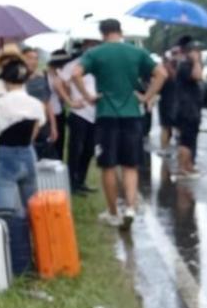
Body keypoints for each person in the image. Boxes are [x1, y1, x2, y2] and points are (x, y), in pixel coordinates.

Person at [71, 18, 168, 229]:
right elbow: (162, 74)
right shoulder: (136, 52)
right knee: (130, 165)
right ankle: (131, 208)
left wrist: (87, 96)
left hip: (106, 114)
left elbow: (75, 73)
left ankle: (113, 212)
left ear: (101, 33)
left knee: (108, 166)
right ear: (121, 32)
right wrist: (146, 96)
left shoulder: (95, 53)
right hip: (132, 113)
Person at [0, 59, 46, 213]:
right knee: (33, 208)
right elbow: (37, 127)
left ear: (5, 81)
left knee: (6, 213)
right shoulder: (36, 103)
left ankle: (13, 235)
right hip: (28, 152)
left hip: (6, 153)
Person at [60, 41, 99, 194]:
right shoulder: (74, 65)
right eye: (89, 45)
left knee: (89, 149)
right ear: (83, 47)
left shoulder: (99, 64)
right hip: (79, 112)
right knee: (75, 149)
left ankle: (81, 180)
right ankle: (71, 182)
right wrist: (70, 100)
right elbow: (60, 82)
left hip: (95, 113)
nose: (92, 48)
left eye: (95, 45)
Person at [173, 37, 204, 178]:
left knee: (191, 139)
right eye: (197, 52)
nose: (200, 54)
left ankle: (189, 165)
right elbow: (197, 76)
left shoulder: (188, 64)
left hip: (193, 108)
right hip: (186, 109)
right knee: (186, 140)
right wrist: (196, 61)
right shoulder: (185, 65)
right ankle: (182, 167)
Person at [22, 46, 60, 159]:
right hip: (25, 124)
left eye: (36, 58)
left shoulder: (41, 79)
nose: (33, 61)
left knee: (48, 158)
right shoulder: (16, 80)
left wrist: (53, 126)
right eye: (29, 58)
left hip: (42, 125)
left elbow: (47, 102)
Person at [43, 50, 72, 161]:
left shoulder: (64, 76)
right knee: (46, 146)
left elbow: (66, 96)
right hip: (45, 116)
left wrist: (65, 84)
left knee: (59, 146)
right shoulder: (45, 76)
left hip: (59, 113)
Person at [157, 48, 180, 156]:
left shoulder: (175, 68)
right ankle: (164, 148)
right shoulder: (166, 69)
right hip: (168, 99)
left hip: (173, 100)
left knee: (168, 127)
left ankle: (166, 148)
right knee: (166, 127)